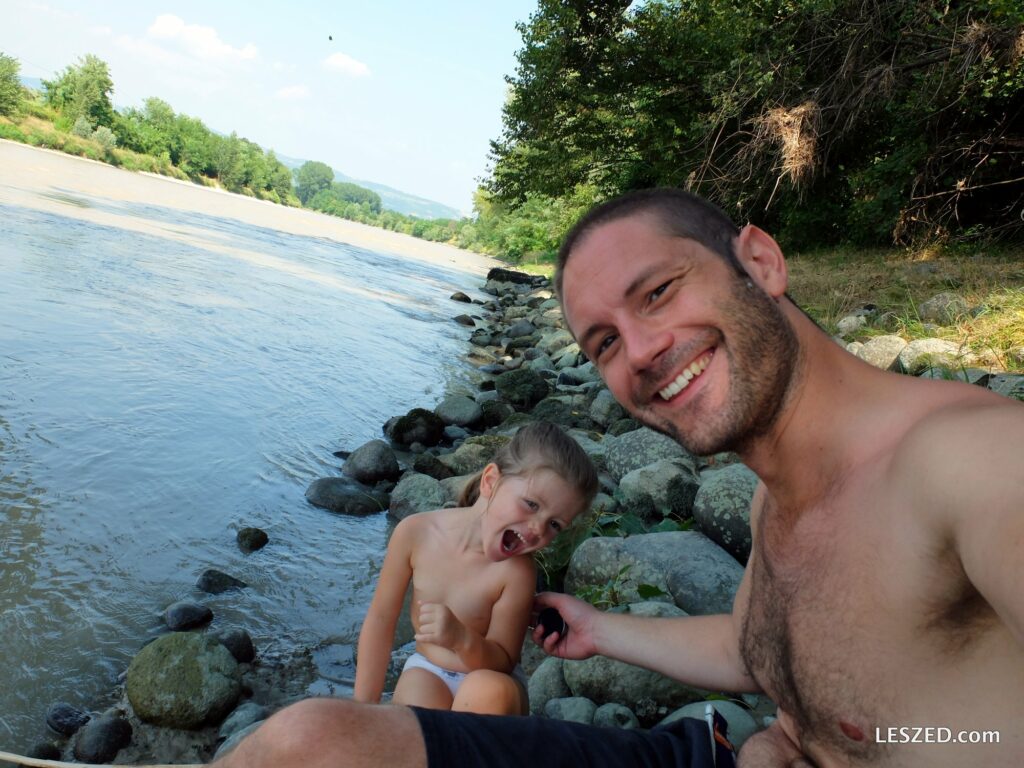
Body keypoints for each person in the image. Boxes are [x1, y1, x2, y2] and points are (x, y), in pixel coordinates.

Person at [212, 188, 1023, 768]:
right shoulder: (782, 500)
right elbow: (763, 651)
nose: (638, 352)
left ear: (761, 261)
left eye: (660, 292)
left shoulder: (969, 461)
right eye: (603, 342)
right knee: (308, 745)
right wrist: (599, 630)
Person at [353, 420, 598, 716]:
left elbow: (503, 661)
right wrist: (362, 712)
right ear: (491, 481)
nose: (537, 530)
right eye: (531, 504)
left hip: (493, 679)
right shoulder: (415, 533)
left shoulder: (517, 572)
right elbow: (380, 621)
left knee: (485, 688)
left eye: (555, 524)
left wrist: (461, 638)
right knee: (413, 710)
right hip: (429, 669)